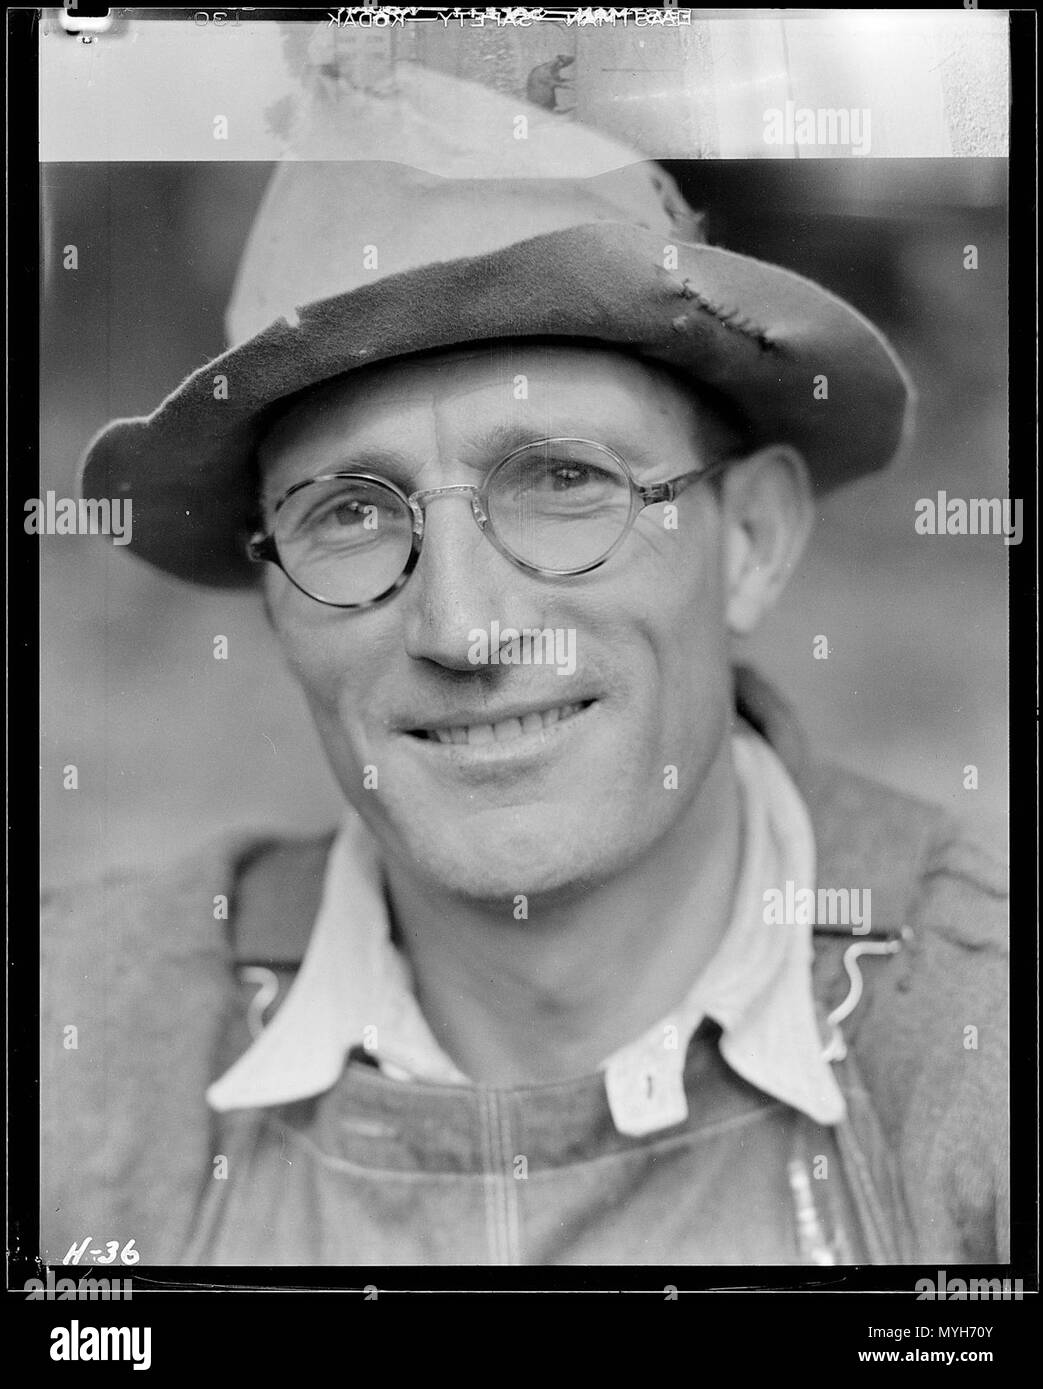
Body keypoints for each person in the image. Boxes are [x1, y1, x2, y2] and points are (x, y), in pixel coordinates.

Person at [41, 148, 1008, 1268]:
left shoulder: (986, 1050)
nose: (462, 629)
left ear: (748, 541)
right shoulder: (76, 1055)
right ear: (269, 593)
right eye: (350, 511)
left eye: (561, 481)